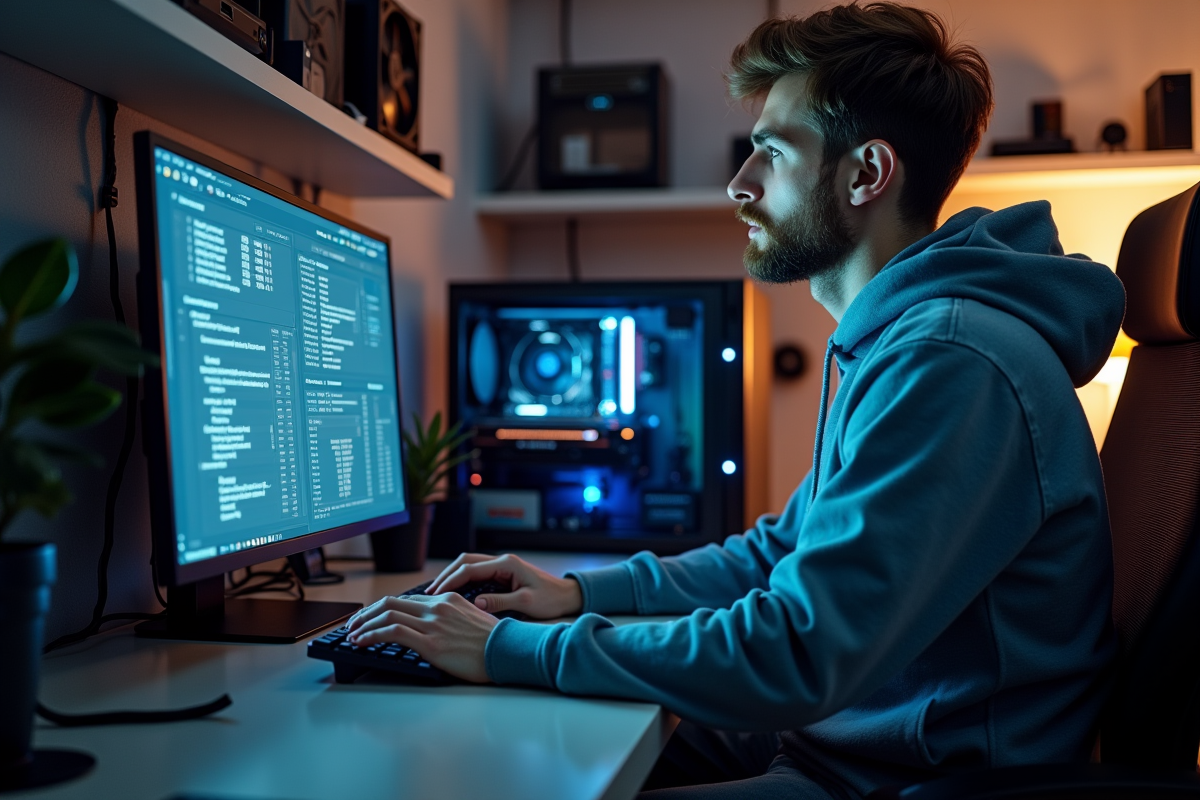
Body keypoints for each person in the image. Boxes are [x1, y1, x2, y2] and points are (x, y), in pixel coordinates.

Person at [347, 3, 1125, 798]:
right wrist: (577, 594)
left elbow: (798, 649)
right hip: (844, 740)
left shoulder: (952, 362)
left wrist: (512, 649)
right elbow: (777, 553)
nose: (739, 184)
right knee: (507, 757)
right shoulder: (897, 339)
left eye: (771, 152)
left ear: (865, 174)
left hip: (907, 777)